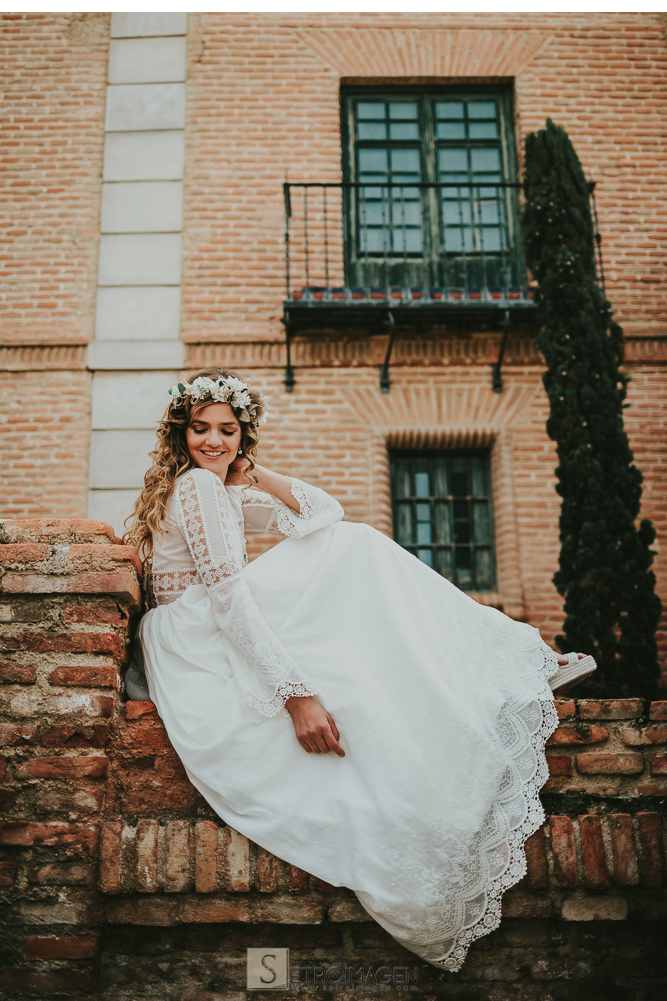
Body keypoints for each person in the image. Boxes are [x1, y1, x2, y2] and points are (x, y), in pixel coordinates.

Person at [125, 367, 595, 972]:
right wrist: (296, 696)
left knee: (353, 543)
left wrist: (255, 474)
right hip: (202, 637)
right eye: (200, 429)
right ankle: (516, 665)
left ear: (244, 436)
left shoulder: (219, 488)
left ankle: (510, 666)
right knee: (357, 553)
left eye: (228, 430)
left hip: (193, 636)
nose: (213, 441)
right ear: (180, 433)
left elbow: (324, 511)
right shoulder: (198, 490)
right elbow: (227, 597)